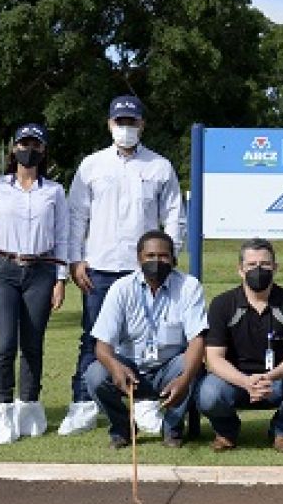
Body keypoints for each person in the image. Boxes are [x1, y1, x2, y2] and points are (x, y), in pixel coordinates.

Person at [59, 95, 183, 436]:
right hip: (99, 268)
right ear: (109, 124)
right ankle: (82, 404)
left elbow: (175, 216)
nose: (126, 128)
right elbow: (75, 216)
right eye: (120, 122)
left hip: (146, 270)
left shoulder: (159, 166)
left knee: (148, 338)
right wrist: (75, 259)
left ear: (142, 124)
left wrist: (170, 258)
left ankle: (145, 402)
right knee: (93, 338)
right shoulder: (92, 165)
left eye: (132, 122)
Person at [0, 123, 69, 443]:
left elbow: (62, 238)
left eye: (36, 145)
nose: (29, 150)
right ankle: (1, 408)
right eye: (24, 144)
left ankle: (28, 404)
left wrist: (61, 278)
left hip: (41, 270)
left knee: (32, 343)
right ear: (13, 149)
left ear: (43, 151)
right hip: (2, 268)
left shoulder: (54, 191)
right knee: (3, 345)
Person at [83, 230, 207, 448]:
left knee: (189, 364)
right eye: (150, 256)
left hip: (168, 369)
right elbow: (102, 345)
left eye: (163, 256)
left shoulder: (189, 286)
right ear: (139, 258)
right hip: (130, 370)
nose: (156, 261)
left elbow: (198, 340)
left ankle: (173, 429)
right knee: (95, 374)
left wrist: (185, 378)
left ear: (173, 259)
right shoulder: (121, 289)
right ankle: (123, 429)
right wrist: (115, 368)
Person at [197, 238, 283, 453]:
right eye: (251, 265)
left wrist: (269, 377)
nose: (258, 270)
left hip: (278, 381)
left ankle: (282, 432)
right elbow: (214, 358)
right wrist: (246, 382)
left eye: (264, 264)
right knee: (208, 393)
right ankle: (226, 432)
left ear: (275, 268)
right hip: (234, 382)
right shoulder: (222, 304)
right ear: (240, 270)